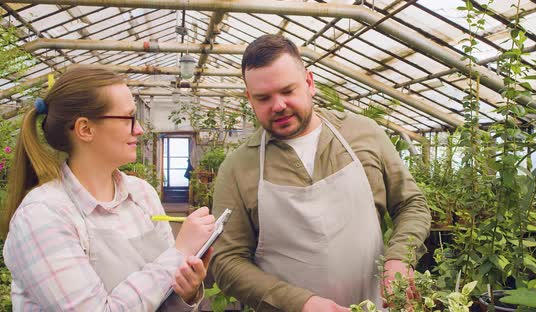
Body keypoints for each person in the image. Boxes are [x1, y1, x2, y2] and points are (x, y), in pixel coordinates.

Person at [210, 34, 431, 311]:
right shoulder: (238, 168)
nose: (278, 106)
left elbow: (411, 204)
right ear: (249, 99)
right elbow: (227, 260)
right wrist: (300, 303)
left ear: (309, 83)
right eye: (263, 98)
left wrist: (400, 256)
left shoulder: (363, 134)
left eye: (288, 91)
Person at [1, 66, 215, 311]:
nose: (139, 130)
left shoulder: (141, 193)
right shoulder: (43, 216)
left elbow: (164, 290)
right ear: (85, 129)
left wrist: (186, 290)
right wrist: (180, 252)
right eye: (129, 118)